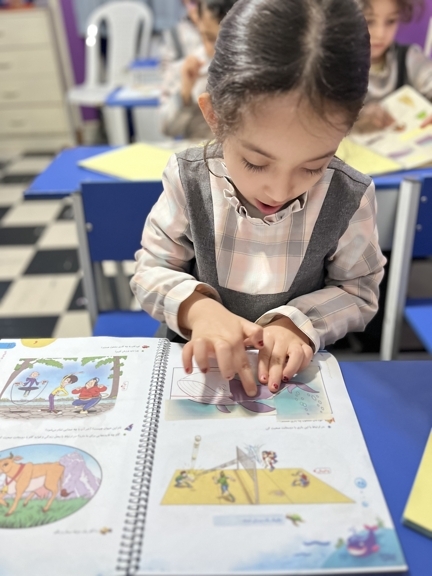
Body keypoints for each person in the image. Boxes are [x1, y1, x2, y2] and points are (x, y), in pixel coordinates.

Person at [131, 0, 386, 396]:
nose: (280, 191)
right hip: (198, 374)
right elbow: (151, 269)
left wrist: (298, 322)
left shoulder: (348, 196)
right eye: (255, 162)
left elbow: (359, 289)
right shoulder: (190, 178)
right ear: (214, 116)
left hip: (290, 380)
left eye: (313, 166)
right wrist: (199, 310)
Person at [160, 0, 238, 139]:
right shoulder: (191, 67)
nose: (218, 49)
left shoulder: (256, 66)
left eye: (229, 40)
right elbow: (167, 127)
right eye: (209, 38)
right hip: (200, 146)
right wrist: (185, 95)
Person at [355, 0, 432, 132]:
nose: (380, 33)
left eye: (391, 21)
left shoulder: (408, 57)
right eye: (369, 22)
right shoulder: (329, 66)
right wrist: (357, 120)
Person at [160, 1, 202, 69]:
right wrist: (186, 66)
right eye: (193, 3)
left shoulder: (219, 30)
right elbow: (165, 70)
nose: (197, 8)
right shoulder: (174, 34)